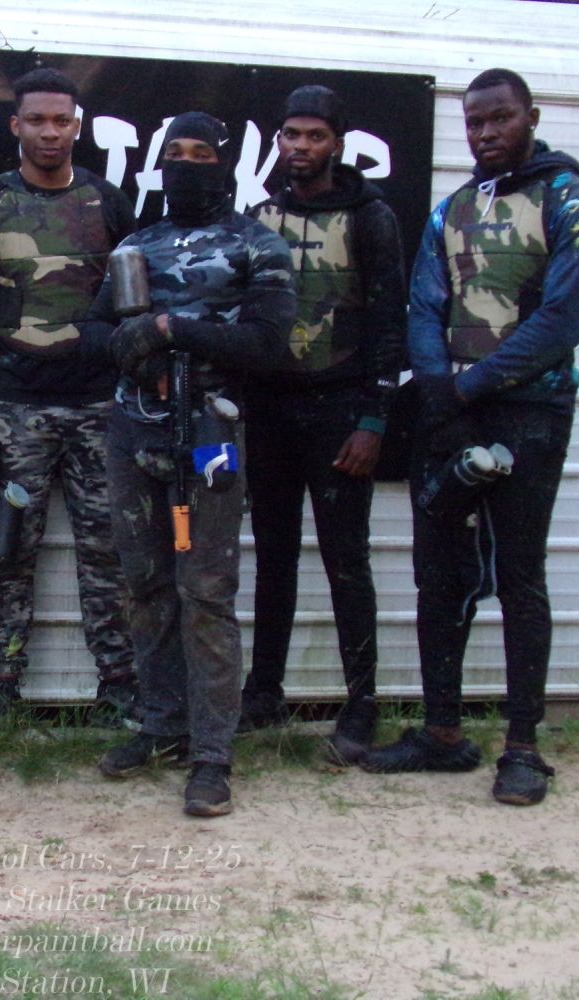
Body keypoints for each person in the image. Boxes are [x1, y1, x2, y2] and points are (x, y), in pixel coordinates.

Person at [362, 69, 579, 805]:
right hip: (450, 412)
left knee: (519, 576)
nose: (485, 132)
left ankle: (522, 748)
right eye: (474, 122)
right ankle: (442, 734)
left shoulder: (571, 202)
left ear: (530, 117)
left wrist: (469, 387)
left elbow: (560, 321)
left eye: (499, 118)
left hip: (530, 411)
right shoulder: (452, 210)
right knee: (438, 577)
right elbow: (424, 307)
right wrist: (440, 391)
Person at [88, 112, 296, 817]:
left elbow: (268, 344)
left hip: (211, 434)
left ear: (223, 165)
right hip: (133, 432)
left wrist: (171, 328)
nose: (184, 164)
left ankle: (212, 755)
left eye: (200, 154)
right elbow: (95, 330)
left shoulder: (256, 244)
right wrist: (133, 350)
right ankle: (161, 725)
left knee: (205, 592)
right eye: (173, 152)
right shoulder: (136, 244)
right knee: (145, 586)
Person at [0, 68, 137, 736]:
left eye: (61, 121)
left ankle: (119, 687)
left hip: (99, 406)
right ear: (15, 126)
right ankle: (4, 689)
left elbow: (133, 309)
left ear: (76, 127)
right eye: (37, 120)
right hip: (15, 406)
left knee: (108, 550)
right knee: (7, 551)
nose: (49, 132)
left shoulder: (108, 202)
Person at [240, 85, 405, 763]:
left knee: (346, 561)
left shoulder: (370, 217)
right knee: (272, 556)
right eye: (290, 134)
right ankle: (263, 692)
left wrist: (372, 420)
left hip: (339, 409)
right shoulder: (259, 217)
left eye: (314, 135)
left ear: (337, 143)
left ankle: (361, 702)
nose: (300, 146)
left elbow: (389, 324)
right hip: (270, 410)